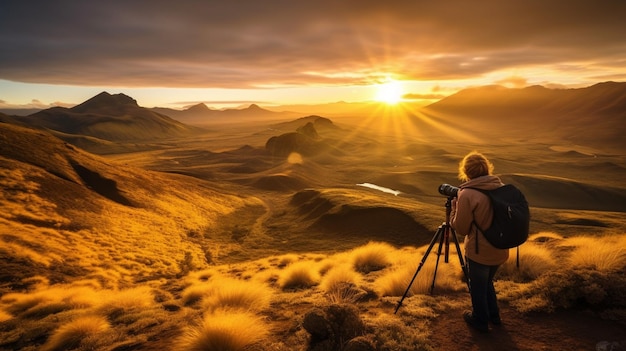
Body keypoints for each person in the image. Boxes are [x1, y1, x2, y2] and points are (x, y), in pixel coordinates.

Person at [450, 151, 509, 333]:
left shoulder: (467, 194)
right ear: (487, 168)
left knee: (477, 286)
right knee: (487, 282)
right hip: (500, 249)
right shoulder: (502, 188)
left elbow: (461, 229)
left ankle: (480, 320)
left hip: (479, 251)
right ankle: (494, 316)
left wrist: (454, 210)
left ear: (466, 171)